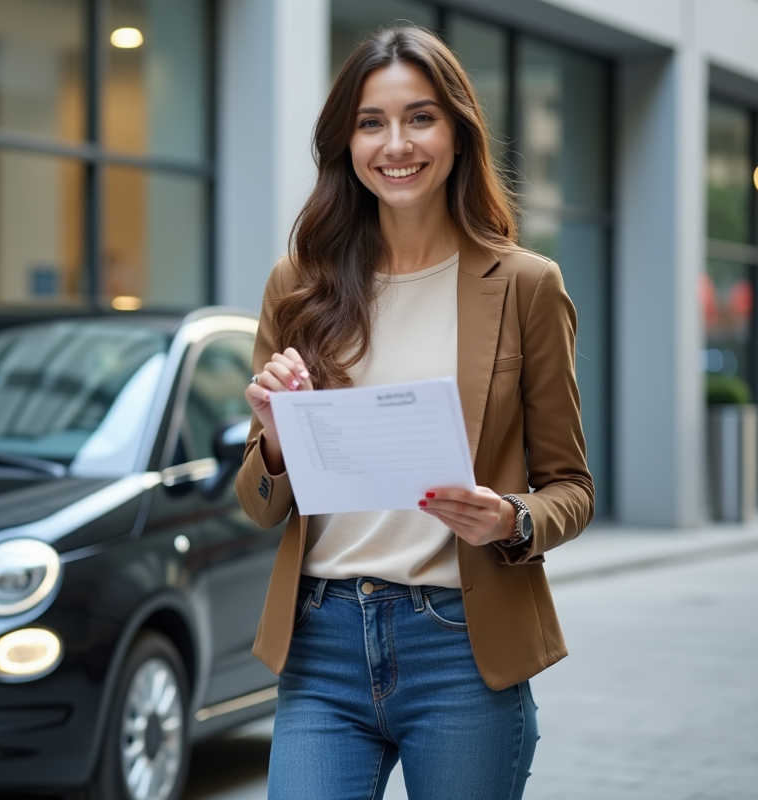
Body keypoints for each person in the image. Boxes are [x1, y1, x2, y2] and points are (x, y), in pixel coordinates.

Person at [235, 25, 594, 800]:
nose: (395, 144)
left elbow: (572, 487)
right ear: (347, 143)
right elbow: (260, 506)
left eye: (420, 117)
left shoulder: (525, 285)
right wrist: (273, 440)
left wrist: (509, 518)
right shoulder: (298, 283)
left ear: (459, 134)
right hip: (321, 639)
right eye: (371, 122)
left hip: (461, 645)